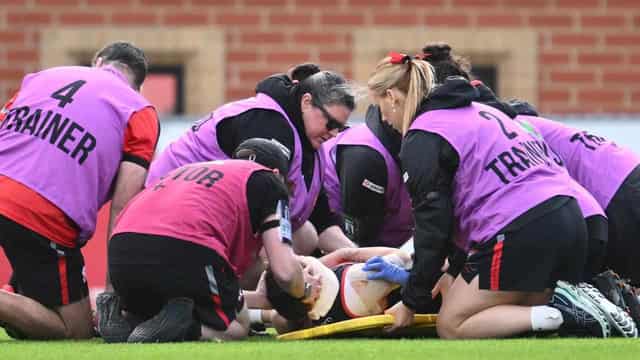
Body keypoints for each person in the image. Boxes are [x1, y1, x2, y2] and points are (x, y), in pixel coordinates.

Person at [367, 52, 618, 339]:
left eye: (379, 106)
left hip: (524, 226)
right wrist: (449, 273)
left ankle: (566, 311)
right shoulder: (481, 110)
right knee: (519, 321)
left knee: (452, 324)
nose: (383, 118)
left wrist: (410, 303)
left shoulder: (424, 134)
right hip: (570, 218)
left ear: (392, 96)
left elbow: (433, 227)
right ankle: (567, 306)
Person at [0, 41, 159, 340]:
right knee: (76, 330)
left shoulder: (43, 77)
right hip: (44, 213)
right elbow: (123, 207)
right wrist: (114, 293)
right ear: (137, 85)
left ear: (97, 61)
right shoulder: (139, 110)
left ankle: (15, 294)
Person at [97, 138, 321, 343]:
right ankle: (184, 328)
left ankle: (124, 319)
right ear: (276, 173)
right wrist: (304, 292)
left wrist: (260, 298)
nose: (290, 192)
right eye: (289, 185)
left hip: (122, 251)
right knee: (236, 325)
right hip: (183, 247)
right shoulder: (269, 181)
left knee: (160, 312)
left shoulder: (192, 171)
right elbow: (284, 271)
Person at [145, 65, 357, 256]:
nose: (334, 134)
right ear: (306, 102)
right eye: (330, 123)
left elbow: (321, 220)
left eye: (341, 127)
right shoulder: (268, 124)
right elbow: (257, 210)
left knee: (305, 234)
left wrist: (357, 257)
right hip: (166, 212)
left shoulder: (310, 141)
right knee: (281, 246)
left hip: (199, 211)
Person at [252, 247, 418, 334]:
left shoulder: (321, 275)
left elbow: (347, 253)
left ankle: (253, 314)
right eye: (309, 288)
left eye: (307, 270)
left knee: (277, 317)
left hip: (359, 294)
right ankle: (252, 312)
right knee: (279, 319)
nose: (316, 278)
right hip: (363, 293)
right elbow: (402, 258)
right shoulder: (360, 281)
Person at [321, 104, 414, 248]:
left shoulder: (424, 146)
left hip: (394, 240)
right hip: (341, 239)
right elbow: (362, 243)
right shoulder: (364, 155)